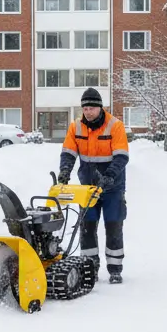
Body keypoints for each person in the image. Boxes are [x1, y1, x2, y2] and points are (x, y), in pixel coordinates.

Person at [59, 87, 130, 284]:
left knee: (113, 225)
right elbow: (68, 152)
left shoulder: (115, 126)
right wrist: (65, 171)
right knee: (87, 226)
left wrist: (109, 176)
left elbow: (122, 156)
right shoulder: (76, 127)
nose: (88, 112)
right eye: (85, 108)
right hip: (87, 188)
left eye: (91, 108)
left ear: (100, 108)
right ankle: (90, 267)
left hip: (112, 187)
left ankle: (115, 269)